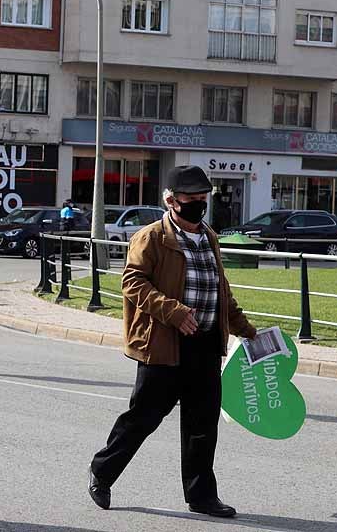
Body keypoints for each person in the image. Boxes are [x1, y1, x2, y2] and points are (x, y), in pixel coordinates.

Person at [88, 166, 258, 519]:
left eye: (202, 199)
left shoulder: (209, 237)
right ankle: (102, 472)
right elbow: (132, 282)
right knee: (142, 419)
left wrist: (246, 329)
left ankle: (201, 495)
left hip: (207, 344)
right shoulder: (151, 237)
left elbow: (221, 292)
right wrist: (173, 312)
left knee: (202, 424)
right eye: (191, 199)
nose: (198, 205)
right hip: (165, 345)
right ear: (170, 200)